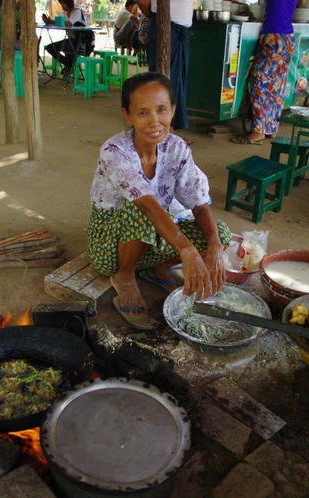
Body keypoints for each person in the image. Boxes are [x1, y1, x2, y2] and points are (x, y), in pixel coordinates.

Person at [87, 72, 231, 330]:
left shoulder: (177, 148)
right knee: (142, 210)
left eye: (161, 109)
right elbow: (147, 205)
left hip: (152, 238)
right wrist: (187, 251)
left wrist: (215, 247)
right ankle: (125, 276)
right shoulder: (114, 151)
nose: (154, 121)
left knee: (219, 233)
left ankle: (155, 269)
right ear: (127, 115)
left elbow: (198, 203)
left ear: (173, 110)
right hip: (109, 246)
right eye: (142, 113)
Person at [232, 0, 297, 145]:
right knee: (277, 84)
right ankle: (272, 127)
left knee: (258, 82)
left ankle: (259, 131)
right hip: (288, 38)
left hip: (274, 37)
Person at [137, 0, 192, 132]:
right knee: (162, 82)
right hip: (165, 26)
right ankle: (160, 132)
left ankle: (169, 131)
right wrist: (157, 17)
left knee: (176, 82)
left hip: (180, 31)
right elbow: (142, 2)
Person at [42, 0, 92, 76]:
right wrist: (50, 21)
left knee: (69, 47)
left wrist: (53, 22)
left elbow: (69, 23)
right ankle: (68, 64)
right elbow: (58, 21)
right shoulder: (64, 14)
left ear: (69, 4)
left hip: (81, 42)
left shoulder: (77, 12)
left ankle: (68, 66)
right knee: (50, 47)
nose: (62, 7)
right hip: (71, 40)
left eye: (63, 5)